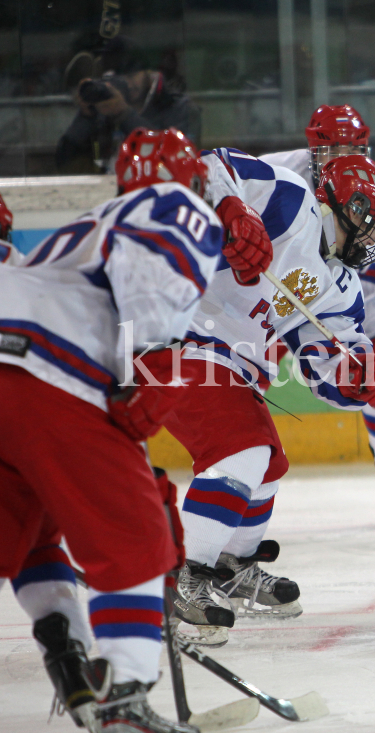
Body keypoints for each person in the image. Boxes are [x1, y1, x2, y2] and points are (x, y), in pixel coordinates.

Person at [0, 127, 222, 732]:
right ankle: (123, 696)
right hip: (56, 374)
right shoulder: (175, 205)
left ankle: (66, 652)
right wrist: (147, 365)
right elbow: (154, 271)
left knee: (29, 529)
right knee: (135, 540)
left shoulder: (89, 223)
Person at [166, 148, 375, 646]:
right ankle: (183, 574)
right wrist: (229, 210)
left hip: (228, 362)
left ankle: (231, 566)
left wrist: (358, 379)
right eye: (371, 224)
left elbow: (326, 367)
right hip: (173, 332)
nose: (373, 240)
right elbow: (202, 165)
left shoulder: (340, 285)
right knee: (242, 451)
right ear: (347, 207)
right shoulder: (287, 198)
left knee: (267, 465)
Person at [260, 104, 375, 524]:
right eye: (332, 150)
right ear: (312, 148)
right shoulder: (275, 174)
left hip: (332, 302)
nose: (342, 158)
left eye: (352, 148)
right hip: (264, 301)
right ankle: (242, 474)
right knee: (237, 381)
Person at [57, 38, 201, 174]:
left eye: (132, 76)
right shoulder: (103, 104)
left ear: (148, 72)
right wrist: (85, 117)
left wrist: (124, 114)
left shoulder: (178, 107)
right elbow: (64, 162)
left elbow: (177, 162)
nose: (129, 84)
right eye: (120, 79)